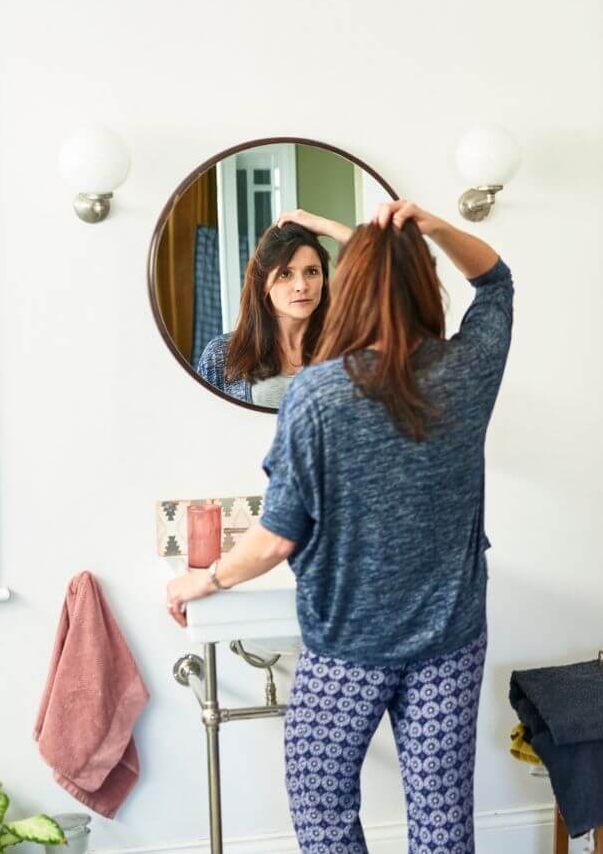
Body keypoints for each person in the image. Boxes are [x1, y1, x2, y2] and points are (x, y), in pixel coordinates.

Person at [165, 200, 514, 854]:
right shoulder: (468, 371)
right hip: (452, 641)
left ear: (343, 284)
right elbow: (496, 281)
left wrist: (202, 580)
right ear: (423, 284)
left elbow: (277, 537)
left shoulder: (319, 394)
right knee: (442, 822)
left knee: (322, 810)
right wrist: (430, 225)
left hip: (348, 649)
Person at [196, 222, 331, 408]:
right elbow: (198, 427)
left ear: (324, 279)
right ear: (264, 284)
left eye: (312, 271)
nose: (302, 286)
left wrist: (329, 228)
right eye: (285, 274)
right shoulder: (220, 355)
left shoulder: (344, 350)